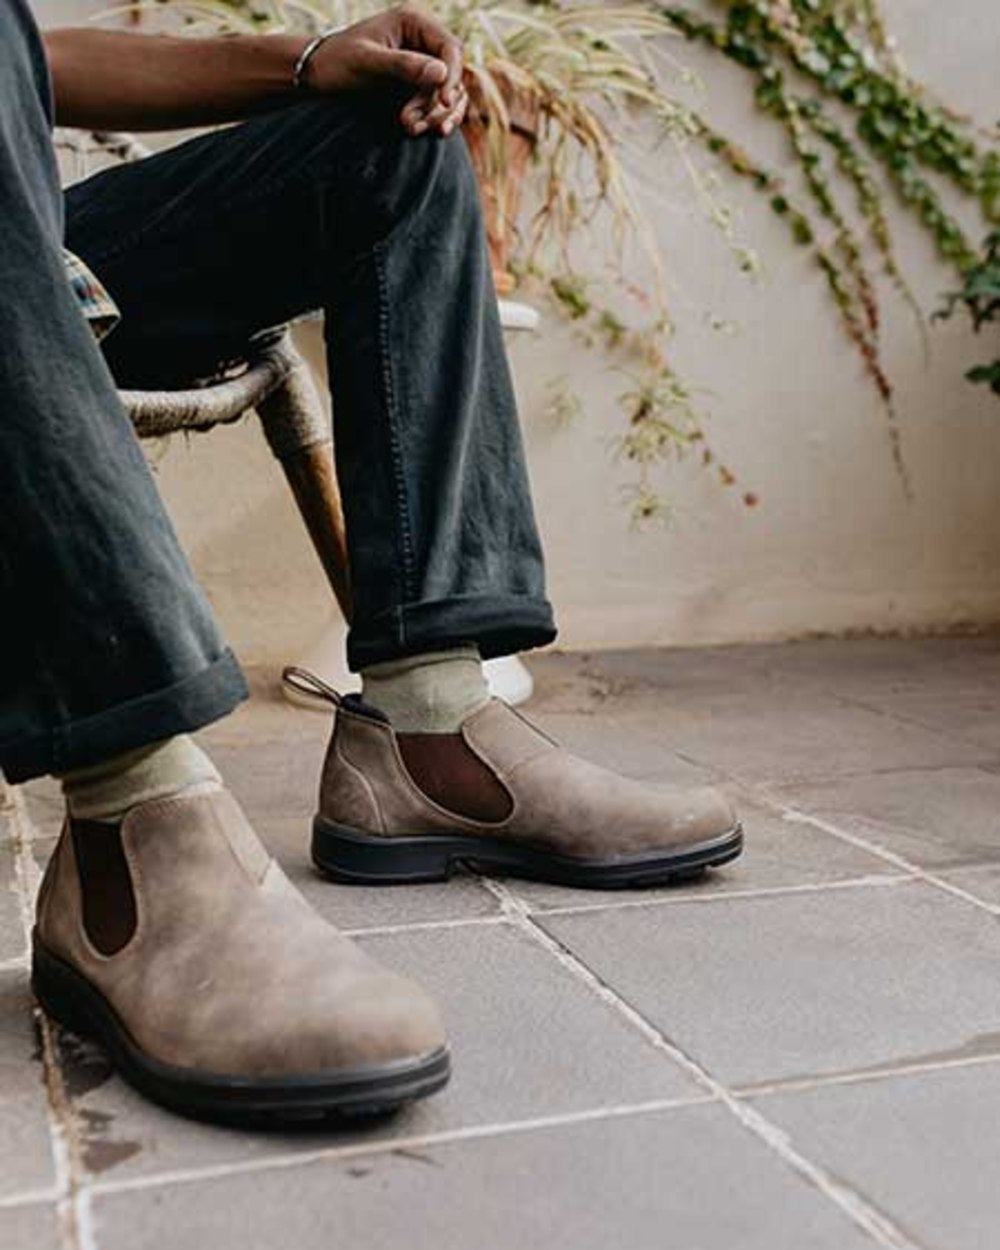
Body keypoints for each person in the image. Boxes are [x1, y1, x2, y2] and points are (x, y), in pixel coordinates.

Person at [2, 0, 743, 1124]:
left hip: (38, 256)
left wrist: (307, 65)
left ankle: (429, 724)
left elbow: (29, 55)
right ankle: (130, 826)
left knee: (385, 144)